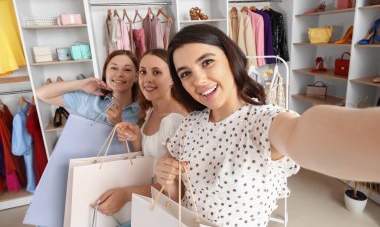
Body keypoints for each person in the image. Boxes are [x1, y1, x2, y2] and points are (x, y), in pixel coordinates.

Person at [155, 24, 380, 227]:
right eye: (185, 74)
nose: (198, 80)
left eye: (207, 62)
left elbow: (302, 133)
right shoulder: (189, 126)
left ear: (233, 59)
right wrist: (170, 181)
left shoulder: (262, 122)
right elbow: (180, 199)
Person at [96, 49, 188, 217]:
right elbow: (149, 160)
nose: (147, 79)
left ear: (173, 79)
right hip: (149, 205)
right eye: (143, 72)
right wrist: (137, 137)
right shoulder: (150, 111)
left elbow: (177, 190)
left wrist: (126, 195)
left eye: (157, 72)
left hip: (166, 212)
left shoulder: (174, 121)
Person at [36, 50, 140, 125]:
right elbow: (41, 94)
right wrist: (81, 84)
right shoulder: (88, 99)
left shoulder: (144, 110)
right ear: (105, 72)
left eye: (127, 70)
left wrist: (118, 123)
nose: (119, 74)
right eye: (114, 68)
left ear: (136, 76)